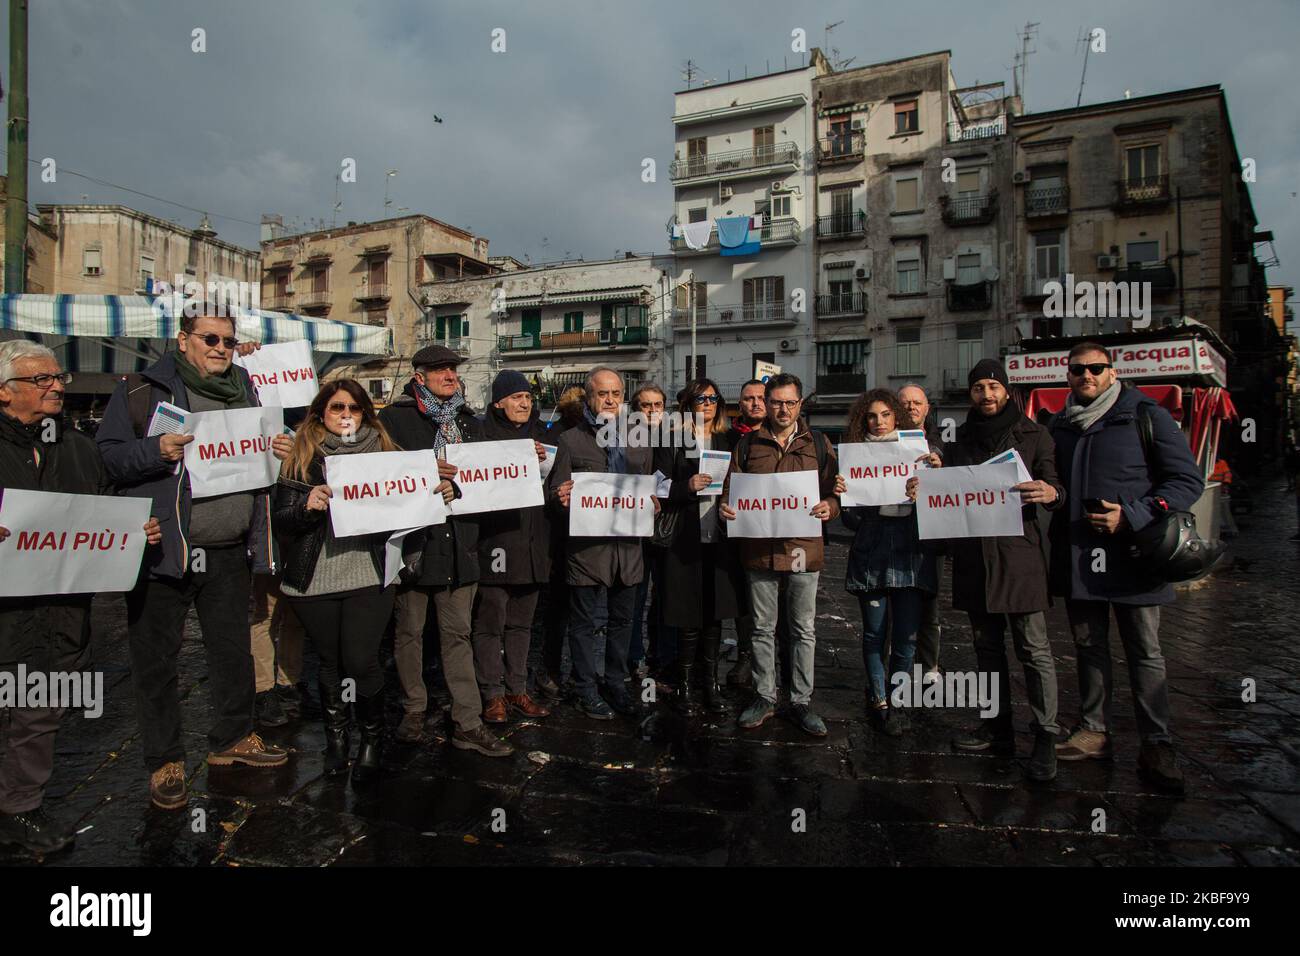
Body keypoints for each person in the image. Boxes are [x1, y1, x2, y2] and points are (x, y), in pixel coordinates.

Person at [96, 304, 291, 811]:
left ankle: (232, 739)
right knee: (156, 661)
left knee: (232, 651)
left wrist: (280, 447)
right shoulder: (141, 390)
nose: (220, 349)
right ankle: (164, 761)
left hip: (229, 550)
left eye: (227, 340)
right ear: (183, 340)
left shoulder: (247, 388)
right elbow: (107, 457)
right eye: (209, 339)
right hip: (165, 549)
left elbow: (262, 453)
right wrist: (155, 451)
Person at [0, 342, 161, 853]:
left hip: (61, 613)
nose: (56, 387)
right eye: (40, 380)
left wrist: (136, 530)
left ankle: (20, 808)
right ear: (4, 392)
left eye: (57, 378)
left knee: (39, 712)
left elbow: (102, 507)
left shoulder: (77, 445)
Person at [1046, 342, 1204, 795]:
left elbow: (1186, 481)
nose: (1086, 376)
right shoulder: (1060, 424)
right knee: (1088, 646)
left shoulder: (1145, 415)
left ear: (1112, 373)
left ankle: (1157, 741)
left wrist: (1132, 513)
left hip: (1135, 556)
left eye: (1096, 369)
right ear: (1068, 375)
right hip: (1080, 558)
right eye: (1078, 370)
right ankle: (1094, 730)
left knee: (1144, 650)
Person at [920, 360, 1065, 781]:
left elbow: (1057, 488)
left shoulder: (1035, 435)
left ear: (1006, 390)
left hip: (1019, 557)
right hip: (973, 557)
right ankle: (997, 727)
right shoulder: (959, 439)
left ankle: (1045, 735)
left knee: (1033, 650)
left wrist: (1050, 492)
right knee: (986, 648)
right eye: (979, 386)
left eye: (993, 385)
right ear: (971, 393)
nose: (986, 393)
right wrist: (928, 479)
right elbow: (945, 485)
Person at [274, 380, 415, 785]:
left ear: (367, 414)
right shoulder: (301, 457)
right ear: (321, 413)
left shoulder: (389, 454)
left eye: (355, 407)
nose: (346, 414)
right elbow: (281, 521)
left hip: (369, 574)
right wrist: (306, 507)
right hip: (315, 578)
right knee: (331, 662)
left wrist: (445, 488)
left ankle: (372, 738)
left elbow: (421, 495)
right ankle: (336, 739)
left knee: (361, 659)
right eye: (337, 407)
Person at [378, 346, 512, 757]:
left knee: (458, 635)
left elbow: (487, 480)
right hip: (416, 546)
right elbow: (381, 476)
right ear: (419, 376)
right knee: (410, 633)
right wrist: (424, 476)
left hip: (461, 547)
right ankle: (414, 709)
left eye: (453, 368)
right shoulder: (395, 419)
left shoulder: (471, 423)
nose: (450, 375)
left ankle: (467, 722)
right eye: (440, 370)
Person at [720, 373, 839, 736]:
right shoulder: (746, 446)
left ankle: (801, 700)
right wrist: (727, 507)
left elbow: (837, 492)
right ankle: (764, 696)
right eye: (776, 402)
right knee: (761, 628)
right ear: (766, 403)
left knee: (803, 628)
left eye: (790, 402)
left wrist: (830, 507)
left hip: (803, 549)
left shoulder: (818, 443)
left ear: (800, 404)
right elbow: (730, 491)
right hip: (759, 550)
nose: (782, 409)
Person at [547, 366, 656, 719]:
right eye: (602, 394)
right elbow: (555, 491)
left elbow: (648, 484)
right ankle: (585, 688)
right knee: (582, 624)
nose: (609, 400)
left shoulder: (640, 436)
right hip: (587, 550)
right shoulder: (570, 439)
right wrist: (560, 497)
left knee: (625, 621)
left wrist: (652, 500)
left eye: (616, 394)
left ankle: (615, 682)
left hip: (628, 550)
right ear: (588, 397)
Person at [835, 389, 937, 738]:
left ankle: (898, 699)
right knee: (874, 633)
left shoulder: (921, 452)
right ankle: (879, 698)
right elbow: (848, 522)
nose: (878, 423)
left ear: (897, 417)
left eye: (885, 415)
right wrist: (846, 497)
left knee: (907, 636)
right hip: (872, 552)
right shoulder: (853, 458)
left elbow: (938, 505)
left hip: (911, 553)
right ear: (863, 419)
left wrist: (929, 484)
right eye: (872, 416)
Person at [657, 378, 747, 716]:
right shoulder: (671, 439)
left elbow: (745, 481)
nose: (706, 403)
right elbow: (659, 484)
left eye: (712, 398)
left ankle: (710, 684)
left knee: (715, 612)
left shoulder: (732, 439)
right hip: (684, 537)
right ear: (688, 404)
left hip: (721, 535)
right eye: (700, 398)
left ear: (720, 404)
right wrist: (686, 485)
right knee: (687, 613)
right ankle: (684, 685)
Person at [471, 370, 552, 724]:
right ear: (498, 402)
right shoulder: (481, 437)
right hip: (496, 545)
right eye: (517, 397)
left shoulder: (543, 436)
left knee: (522, 625)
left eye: (529, 398)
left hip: (535, 545)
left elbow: (556, 484)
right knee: (490, 624)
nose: (524, 403)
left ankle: (517, 688)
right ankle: (492, 694)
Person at [536, 384, 588, 697]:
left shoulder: (555, 434)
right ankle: (553, 668)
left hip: (566, 533)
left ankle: (552, 669)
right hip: (564, 532)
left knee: (563, 610)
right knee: (564, 610)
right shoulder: (559, 438)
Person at [898, 383, 944, 682]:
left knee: (930, 604)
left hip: (930, 536)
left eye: (917, 403)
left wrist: (941, 467)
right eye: (905, 403)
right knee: (895, 603)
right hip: (894, 532)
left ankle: (929, 666)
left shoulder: (942, 444)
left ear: (927, 408)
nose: (911, 407)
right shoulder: (880, 444)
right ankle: (896, 663)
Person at [726, 379, 767, 689]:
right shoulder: (726, 438)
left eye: (761, 397)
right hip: (737, 532)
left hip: (777, 533)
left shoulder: (784, 436)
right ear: (739, 404)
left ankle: (770, 658)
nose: (756, 403)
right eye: (749, 398)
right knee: (742, 598)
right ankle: (744, 655)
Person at [629, 383, 669, 680]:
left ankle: (661, 657)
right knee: (634, 598)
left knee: (665, 598)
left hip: (668, 530)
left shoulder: (676, 439)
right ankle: (633, 658)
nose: (653, 410)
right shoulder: (623, 439)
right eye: (646, 405)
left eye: (657, 405)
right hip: (635, 531)